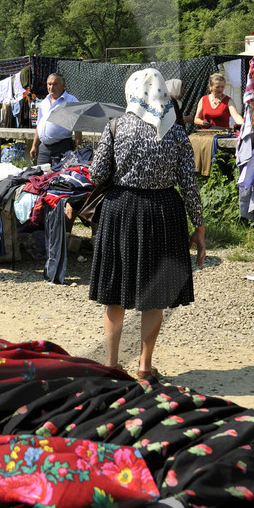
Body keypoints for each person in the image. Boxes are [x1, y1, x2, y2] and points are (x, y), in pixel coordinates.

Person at [88, 68, 207, 384]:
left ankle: (112, 366)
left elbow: (97, 174)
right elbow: (188, 184)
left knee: (116, 290)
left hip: (121, 210)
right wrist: (200, 226)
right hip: (163, 213)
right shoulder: (177, 132)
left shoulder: (115, 126)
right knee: (154, 294)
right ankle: (144, 367)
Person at [34, 72, 79, 166]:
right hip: (44, 148)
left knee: (60, 177)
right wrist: (34, 145)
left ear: (63, 85)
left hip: (62, 147)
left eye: (55, 84)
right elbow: (39, 125)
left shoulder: (71, 101)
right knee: (40, 176)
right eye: (49, 84)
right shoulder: (44, 102)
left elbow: (77, 126)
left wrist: (77, 147)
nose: (51, 87)